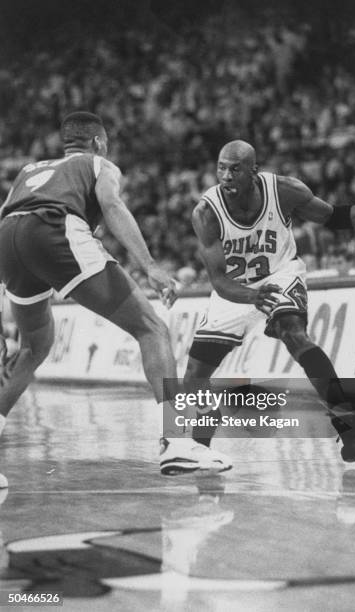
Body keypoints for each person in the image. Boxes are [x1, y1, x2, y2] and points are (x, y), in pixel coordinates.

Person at [0, 111, 231, 476]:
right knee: (152, 329)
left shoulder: (29, 171)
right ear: (98, 142)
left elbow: (10, 217)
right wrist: (151, 266)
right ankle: (176, 441)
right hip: (55, 228)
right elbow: (112, 206)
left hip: (9, 239)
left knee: (34, 347)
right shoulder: (99, 164)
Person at [184, 140, 355, 465]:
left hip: (280, 273)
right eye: (221, 168)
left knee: (295, 335)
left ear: (254, 171)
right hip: (235, 289)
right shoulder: (207, 213)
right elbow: (218, 281)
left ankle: (352, 431)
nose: (226, 176)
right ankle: (199, 445)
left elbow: (333, 217)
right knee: (193, 378)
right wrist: (251, 296)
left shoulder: (285, 191)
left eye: (235, 169)